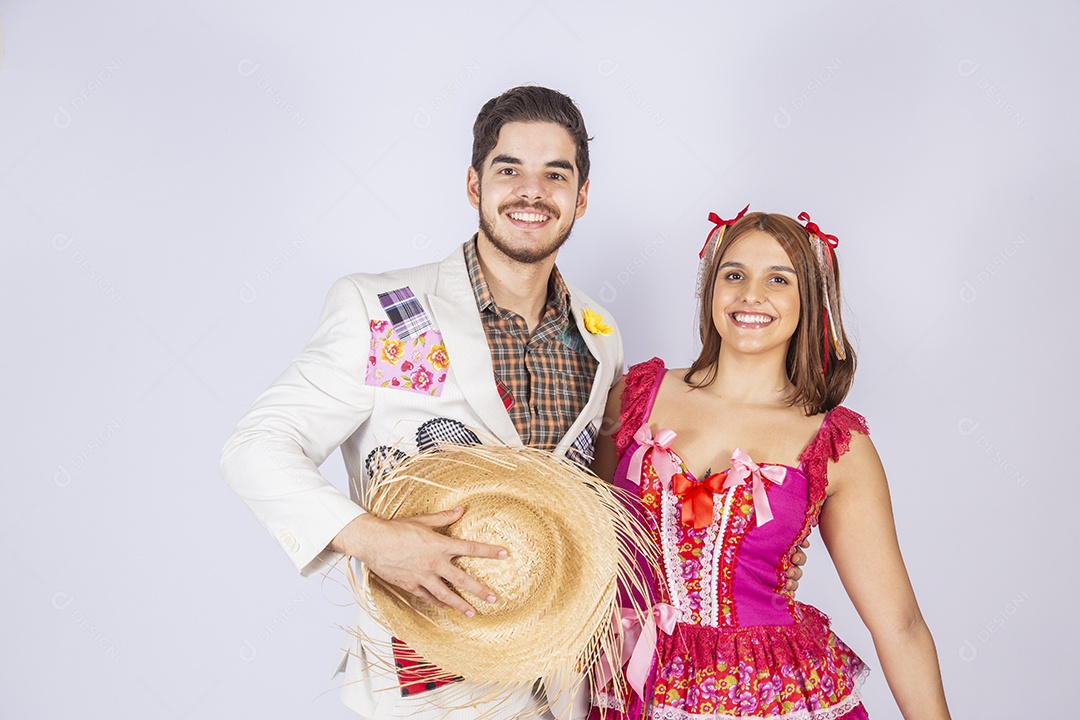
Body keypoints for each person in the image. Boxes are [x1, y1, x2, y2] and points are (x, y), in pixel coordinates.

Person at [221, 86, 807, 719]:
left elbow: (610, 507)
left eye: (555, 174)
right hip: (426, 677)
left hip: (562, 682)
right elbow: (256, 447)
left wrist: (761, 552)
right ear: (474, 184)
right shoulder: (383, 309)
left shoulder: (599, 332)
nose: (532, 192)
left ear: (581, 197)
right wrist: (369, 539)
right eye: (509, 170)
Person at [590, 210, 950, 719]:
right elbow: (582, 537)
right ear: (710, 288)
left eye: (777, 279)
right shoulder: (634, 395)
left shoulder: (836, 443)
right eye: (733, 274)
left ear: (810, 300)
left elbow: (899, 624)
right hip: (630, 683)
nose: (749, 295)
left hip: (768, 695)